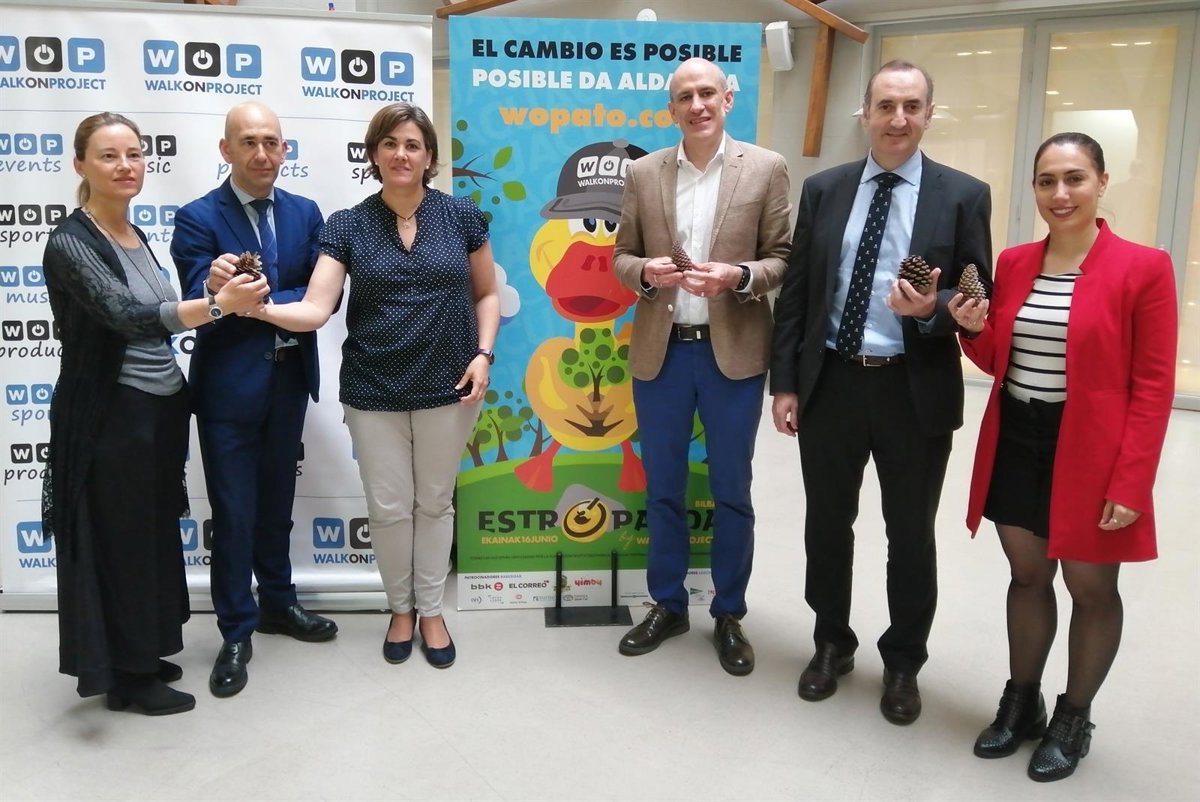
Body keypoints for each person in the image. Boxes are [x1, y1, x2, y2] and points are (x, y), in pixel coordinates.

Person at [769, 60, 992, 722]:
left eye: (912, 106)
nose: (899, 118)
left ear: (929, 114)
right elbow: (799, 293)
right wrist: (786, 383)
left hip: (913, 390)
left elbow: (977, 295)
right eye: (887, 105)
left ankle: (903, 662)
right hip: (832, 382)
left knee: (910, 534)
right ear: (865, 114)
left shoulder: (963, 195)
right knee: (827, 524)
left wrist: (931, 310)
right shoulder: (825, 189)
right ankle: (831, 643)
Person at [951, 132, 1177, 782]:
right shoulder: (1016, 262)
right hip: (1018, 438)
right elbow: (997, 357)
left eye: (1075, 178)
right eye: (1047, 180)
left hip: (1093, 450)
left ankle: (1073, 716)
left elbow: (1154, 385)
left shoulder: (1144, 268)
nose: (1060, 193)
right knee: (1027, 576)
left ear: (1102, 182)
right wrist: (971, 329)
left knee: (1091, 587)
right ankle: (1020, 701)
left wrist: (1131, 482)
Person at [249, 103, 499, 669]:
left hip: (450, 383)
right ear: (374, 154)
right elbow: (316, 307)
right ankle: (400, 610)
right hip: (373, 388)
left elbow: (485, 294)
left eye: (412, 144)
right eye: (389, 144)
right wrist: (258, 308)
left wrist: (483, 354)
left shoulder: (462, 216)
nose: (401, 154)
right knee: (388, 509)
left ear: (429, 156)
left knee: (434, 504)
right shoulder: (347, 224)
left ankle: (431, 611)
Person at [43, 112, 267, 715]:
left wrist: (213, 289)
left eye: (134, 154)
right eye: (109, 155)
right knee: (122, 542)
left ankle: (138, 650)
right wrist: (218, 307)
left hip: (158, 412)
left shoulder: (134, 234)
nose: (126, 166)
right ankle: (128, 677)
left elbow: (163, 309)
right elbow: (129, 317)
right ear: (81, 165)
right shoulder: (70, 242)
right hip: (112, 417)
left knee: (148, 537)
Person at [612, 57, 791, 676]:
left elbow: (782, 258)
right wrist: (644, 271)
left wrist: (737, 276)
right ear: (671, 109)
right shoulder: (643, 172)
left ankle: (729, 613)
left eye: (707, 92)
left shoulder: (765, 168)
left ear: (727, 98)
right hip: (661, 353)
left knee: (730, 490)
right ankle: (667, 605)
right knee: (662, 487)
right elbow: (621, 255)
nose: (697, 105)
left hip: (732, 355)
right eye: (685, 96)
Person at [171, 102, 335, 700]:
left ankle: (279, 604)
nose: (262, 153)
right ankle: (236, 630)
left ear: (284, 149)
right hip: (227, 391)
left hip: (289, 384)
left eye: (271, 142)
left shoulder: (305, 212)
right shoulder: (197, 217)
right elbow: (198, 297)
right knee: (235, 513)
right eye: (248, 142)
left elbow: (320, 292)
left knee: (277, 507)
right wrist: (218, 288)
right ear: (226, 150)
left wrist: (258, 300)